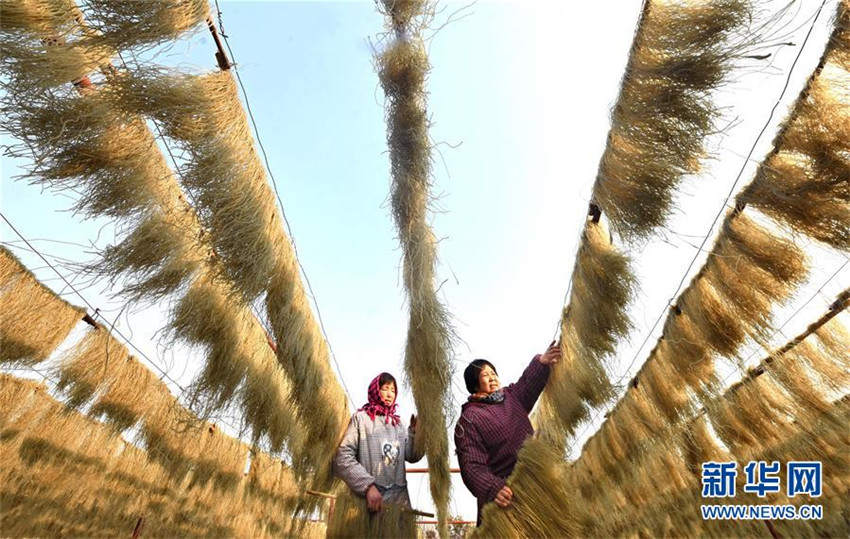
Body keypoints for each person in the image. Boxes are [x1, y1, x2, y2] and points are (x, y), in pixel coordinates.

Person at [454, 341, 561, 525]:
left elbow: (527, 384)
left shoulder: (511, 397)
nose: (492, 377)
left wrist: (541, 362)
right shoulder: (469, 419)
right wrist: (493, 488)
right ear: (474, 383)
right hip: (504, 497)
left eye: (494, 373)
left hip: (533, 481)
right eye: (485, 375)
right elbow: (471, 466)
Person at [333, 372, 423, 513]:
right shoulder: (361, 419)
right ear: (375, 390)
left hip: (398, 505)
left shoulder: (398, 424)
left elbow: (412, 456)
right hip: (371, 504)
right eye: (385, 389)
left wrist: (415, 433)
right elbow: (342, 457)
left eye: (393, 390)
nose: (389, 394)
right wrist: (368, 486)